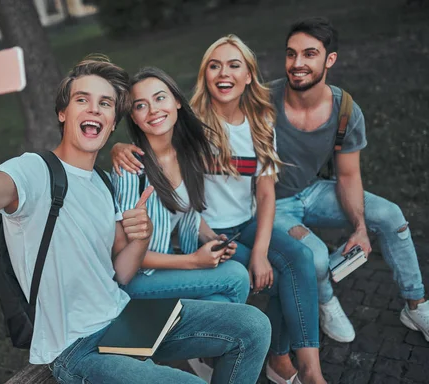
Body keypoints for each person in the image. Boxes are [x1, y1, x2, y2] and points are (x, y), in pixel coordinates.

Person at [0, 48, 271, 384]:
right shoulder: (35, 172)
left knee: (253, 327)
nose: (94, 108)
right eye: (82, 99)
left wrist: (141, 236)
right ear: (62, 112)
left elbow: (121, 271)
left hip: (124, 318)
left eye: (105, 104)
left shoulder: (104, 184)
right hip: (77, 348)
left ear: (110, 126)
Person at [112, 35, 325, 384]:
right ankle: (208, 345)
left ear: (249, 76)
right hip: (157, 264)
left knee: (296, 263)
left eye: (233, 65)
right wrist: (119, 147)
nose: (152, 110)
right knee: (243, 280)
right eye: (214, 65)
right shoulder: (170, 141)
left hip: (233, 227)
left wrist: (236, 246)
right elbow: (125, 262)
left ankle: (295, 365)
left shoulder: (234, 132)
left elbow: (205, 207)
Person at [267, 17, 429, 344]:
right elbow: (199, 120)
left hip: (311, 190)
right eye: (291, 54)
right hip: (270, 204)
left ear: (330, 60)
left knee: (391, 216)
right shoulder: (262, 100)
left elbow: (348, 174)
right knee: (313, 256)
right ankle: (326, 300)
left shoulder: (345, 110)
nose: (297, 63)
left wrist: (359, 228)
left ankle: (416, 305)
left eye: (309, 54)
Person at [112, 66, 250, 305]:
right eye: (141, 105)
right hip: (137, 278)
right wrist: (194, 262)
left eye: (160, 98)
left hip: (171, 262)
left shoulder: (187, 153)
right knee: (236, 277)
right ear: (134, 117)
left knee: (225, 291)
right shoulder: (130, 169)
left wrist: (211, 239)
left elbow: (189, 211)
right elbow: (123, 256)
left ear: (176, 101)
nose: (153, 110)